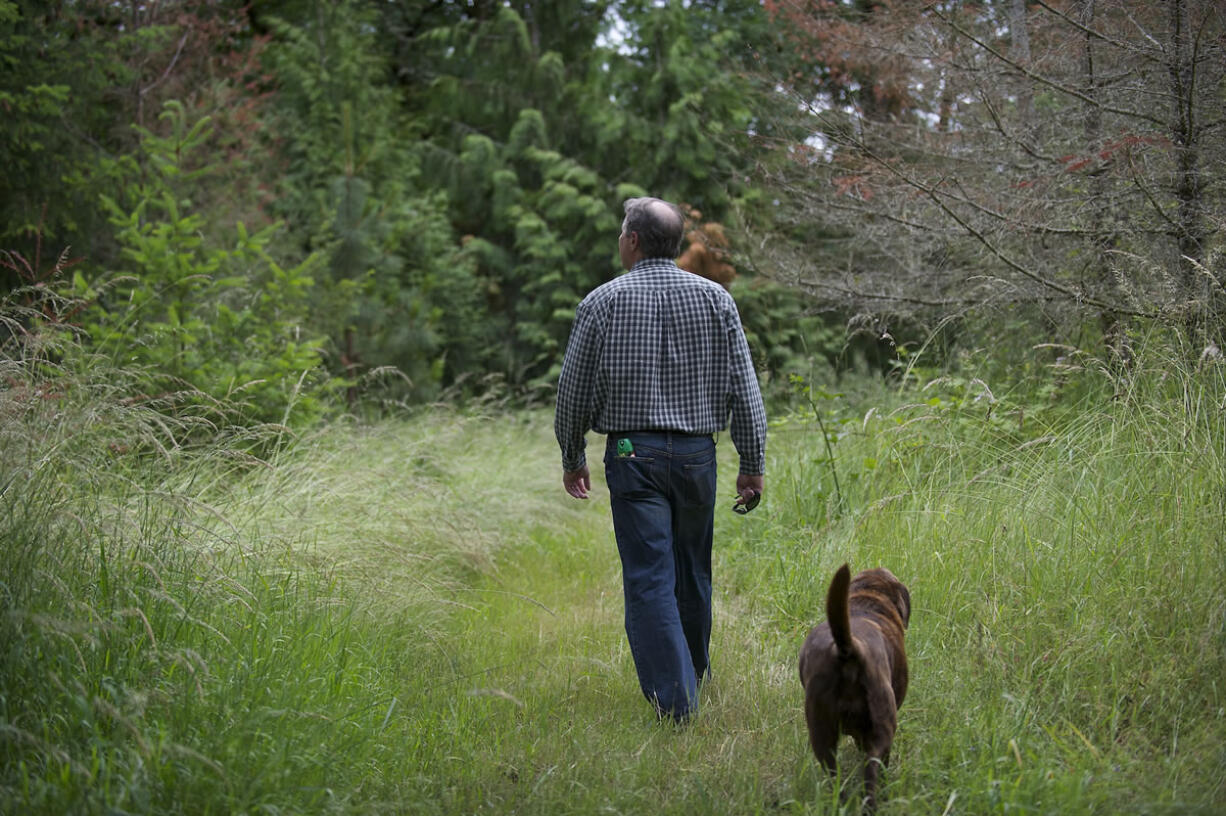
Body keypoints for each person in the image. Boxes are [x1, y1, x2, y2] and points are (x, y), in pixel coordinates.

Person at [554, 196, 767, 722]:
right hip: (698, 455)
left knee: (650, 574)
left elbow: (573, 391)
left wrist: (572, 452)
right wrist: (752, 460)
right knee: (693, 569)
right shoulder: (717, 300)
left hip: (631, 453)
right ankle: (693, 675)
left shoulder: (601, 302)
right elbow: (745, 387)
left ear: (632, 241)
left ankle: (677, 703)